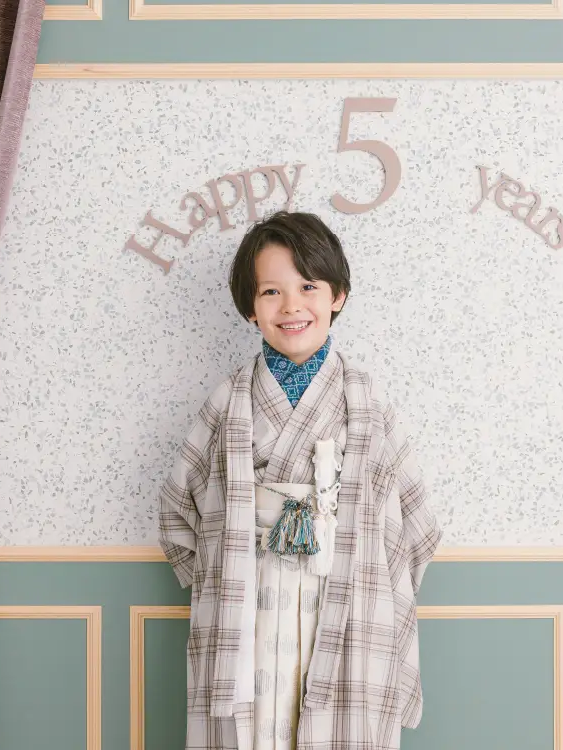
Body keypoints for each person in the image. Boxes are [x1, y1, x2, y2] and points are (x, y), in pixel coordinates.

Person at [158, 210, 442, 750]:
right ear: (250, 308)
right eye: (271, 292)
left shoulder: (367, 402)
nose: (291, 306)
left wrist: (373, 586)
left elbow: (415, 521)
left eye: (308, 286)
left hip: (344, 590)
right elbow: (179, 505)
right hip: (249, 593)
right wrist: (223, 575)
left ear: (338, 296)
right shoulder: (228, 400)